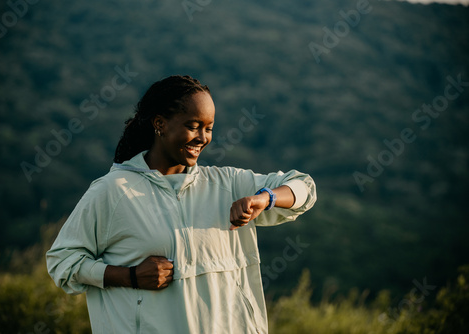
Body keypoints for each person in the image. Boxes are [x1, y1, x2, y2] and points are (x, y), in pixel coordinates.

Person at [46, 75, 316, 333]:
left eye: (209, 128)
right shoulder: (113, 191)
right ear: (160, 124)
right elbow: (62, 262)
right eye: (193, 125)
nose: (202, 138)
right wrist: (130, 276)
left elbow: (304, 186)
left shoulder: (228, 185)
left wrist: (264, 198)